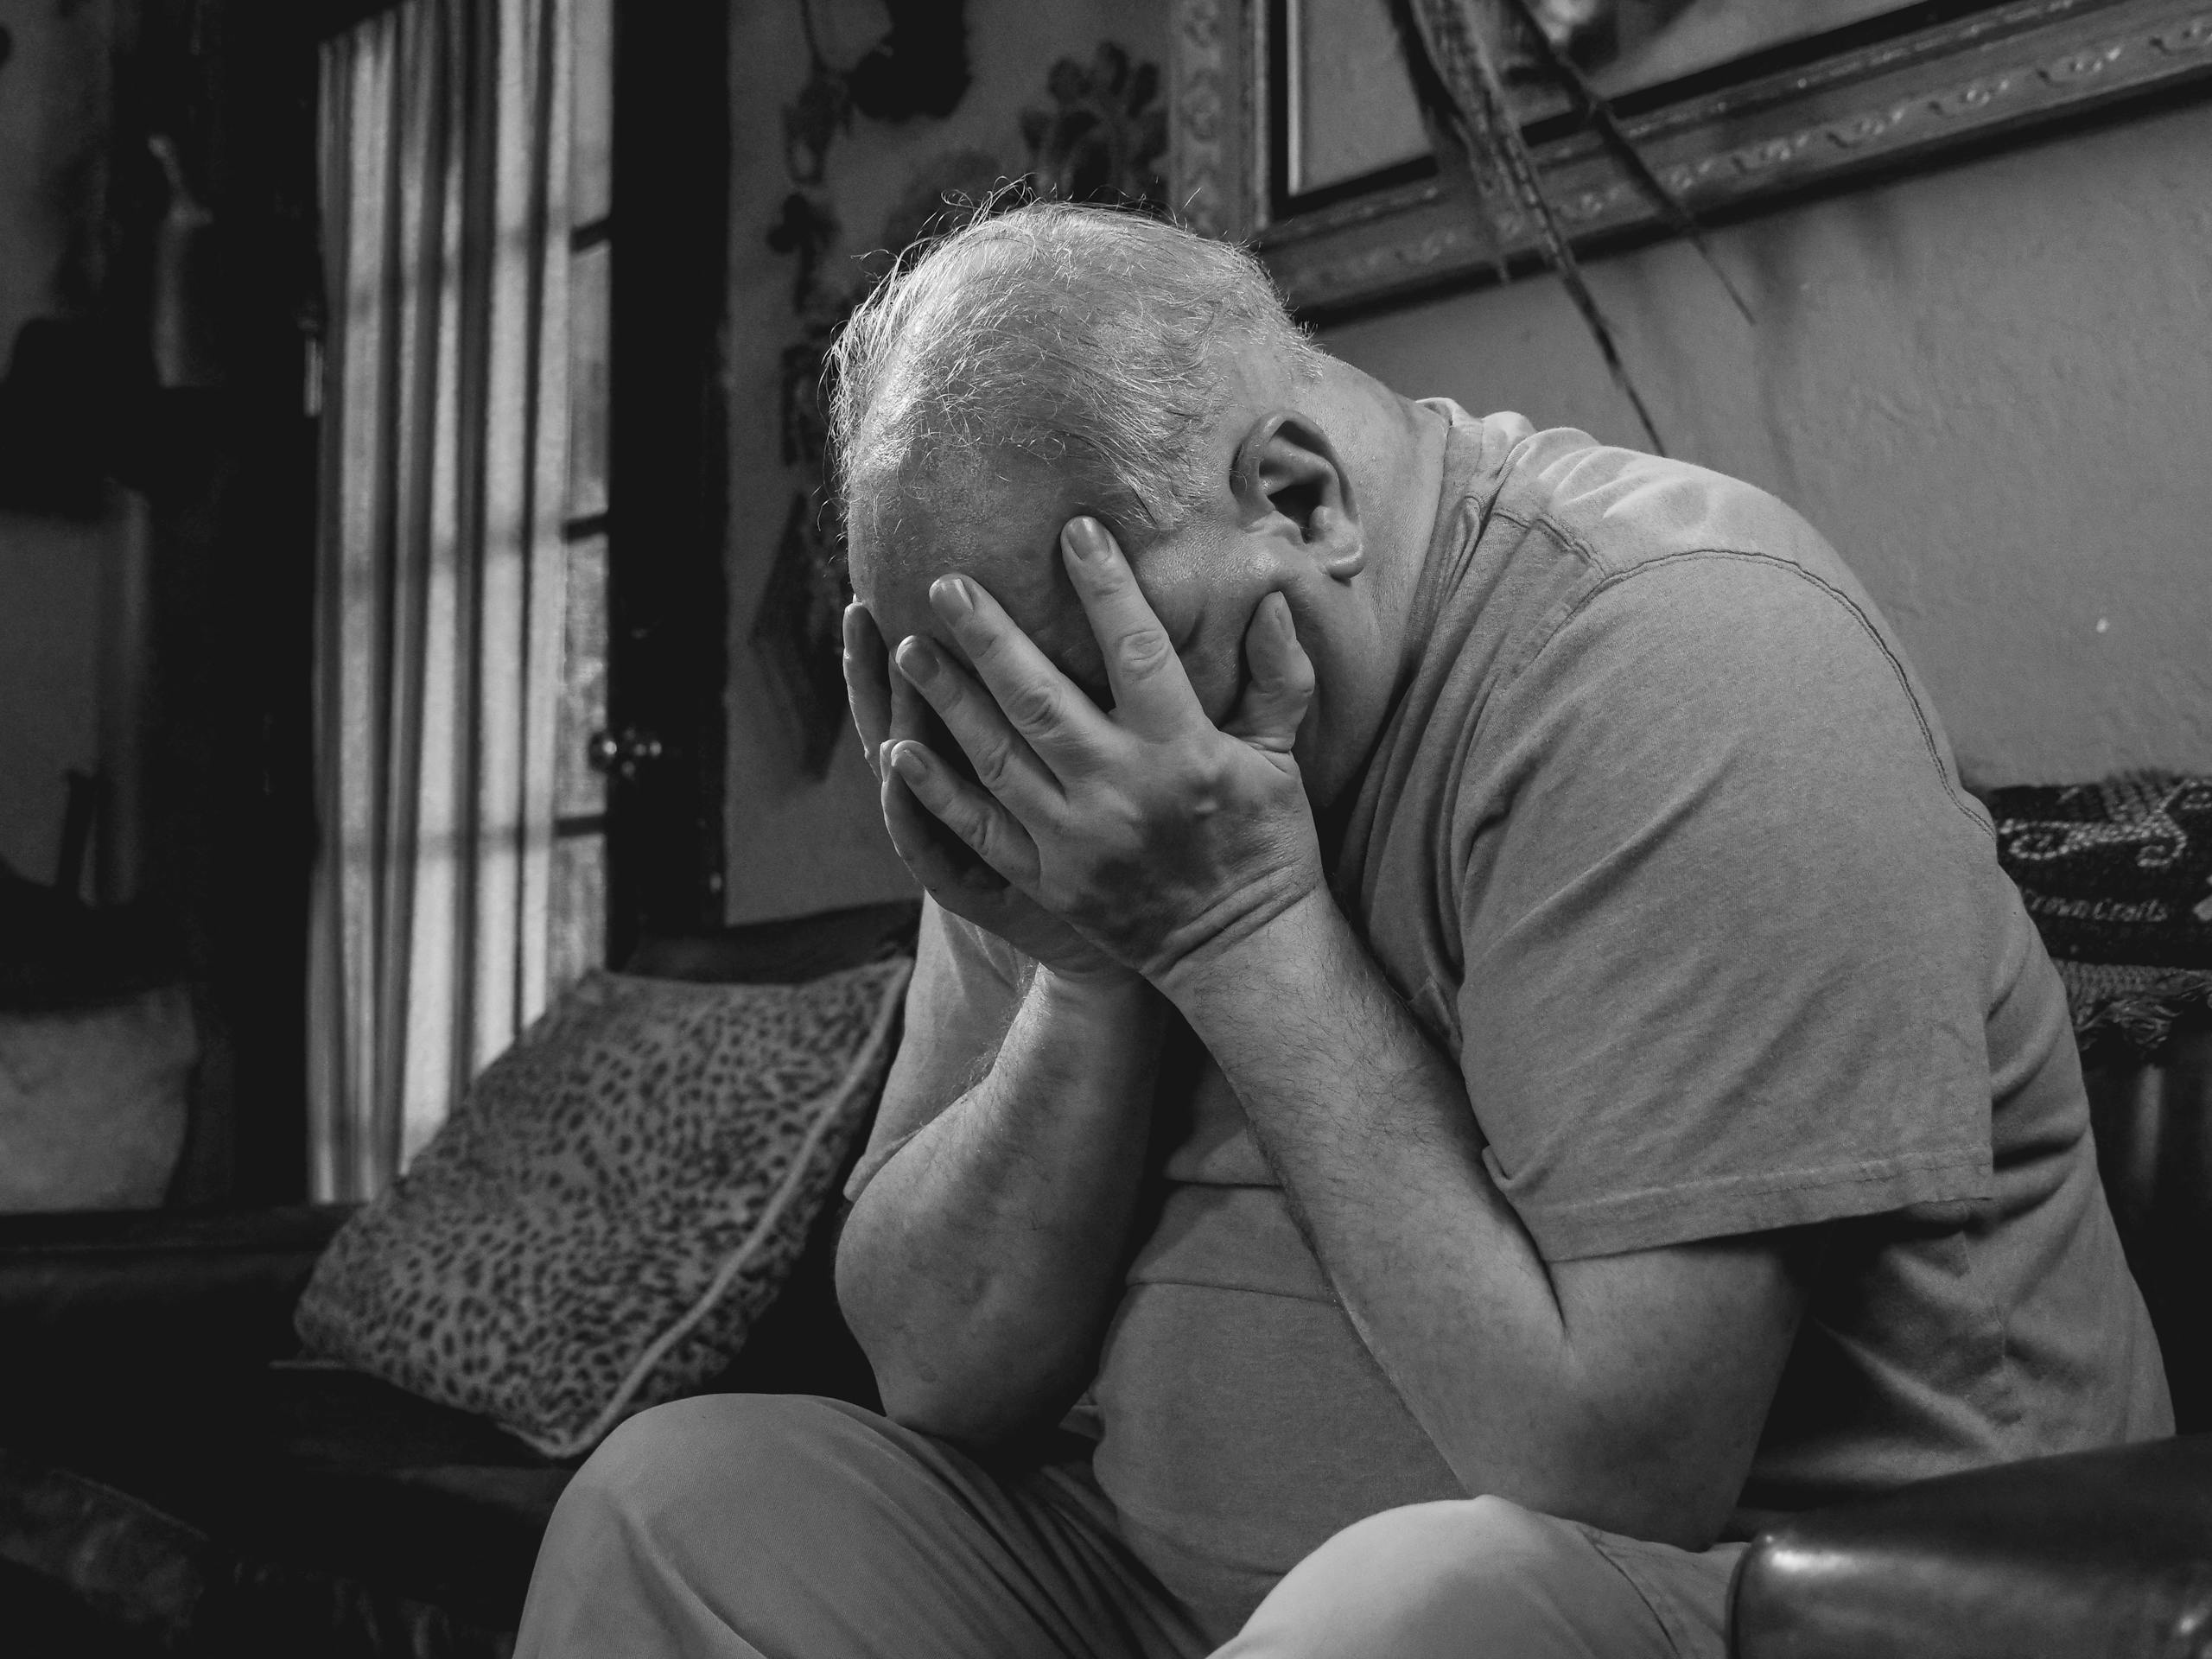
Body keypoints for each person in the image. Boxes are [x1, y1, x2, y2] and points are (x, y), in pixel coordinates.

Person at [515, 202, 2169, 1659]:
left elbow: (1617, 1472)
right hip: (1166, 1595)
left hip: (1786, 1603)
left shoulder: (1684, 659)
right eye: (995, 732)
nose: (1069, 778)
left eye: (1090, 689)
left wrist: (1239, 928)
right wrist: (1096, 966)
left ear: (1297, 499)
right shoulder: (1076, 750)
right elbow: (934, 1373)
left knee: (1406, 1610)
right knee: (678, 1508)